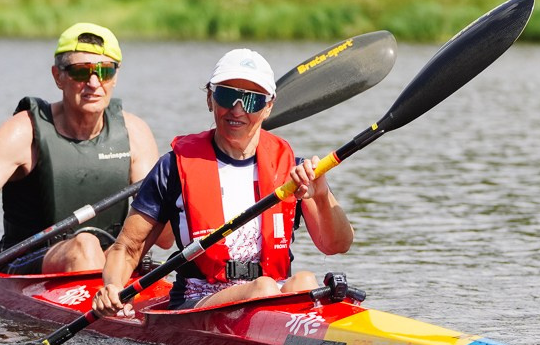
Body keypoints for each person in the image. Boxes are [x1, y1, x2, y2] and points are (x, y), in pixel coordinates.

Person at [93, 47, 353, 316]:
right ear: (210, 98)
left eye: (252, 100)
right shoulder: (172, 168)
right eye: (227, 95)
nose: (237, 110)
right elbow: (126, 248)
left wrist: (321, 195)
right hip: (200, 298)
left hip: (273, 292)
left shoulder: (293, 170)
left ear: (269, 107)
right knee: (262, 289)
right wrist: (113, 287)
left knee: (305, 281)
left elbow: (337, 245)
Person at [0, 22, 162, 294]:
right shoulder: (23, 132)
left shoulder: (135, 134)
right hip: (24, 262)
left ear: (115, 76)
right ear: (58, 76)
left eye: (105, 71)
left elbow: (163, 238)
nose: (94, 83)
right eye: (81, 72)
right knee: (85, 246)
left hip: (113, 266)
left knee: (103, 250)